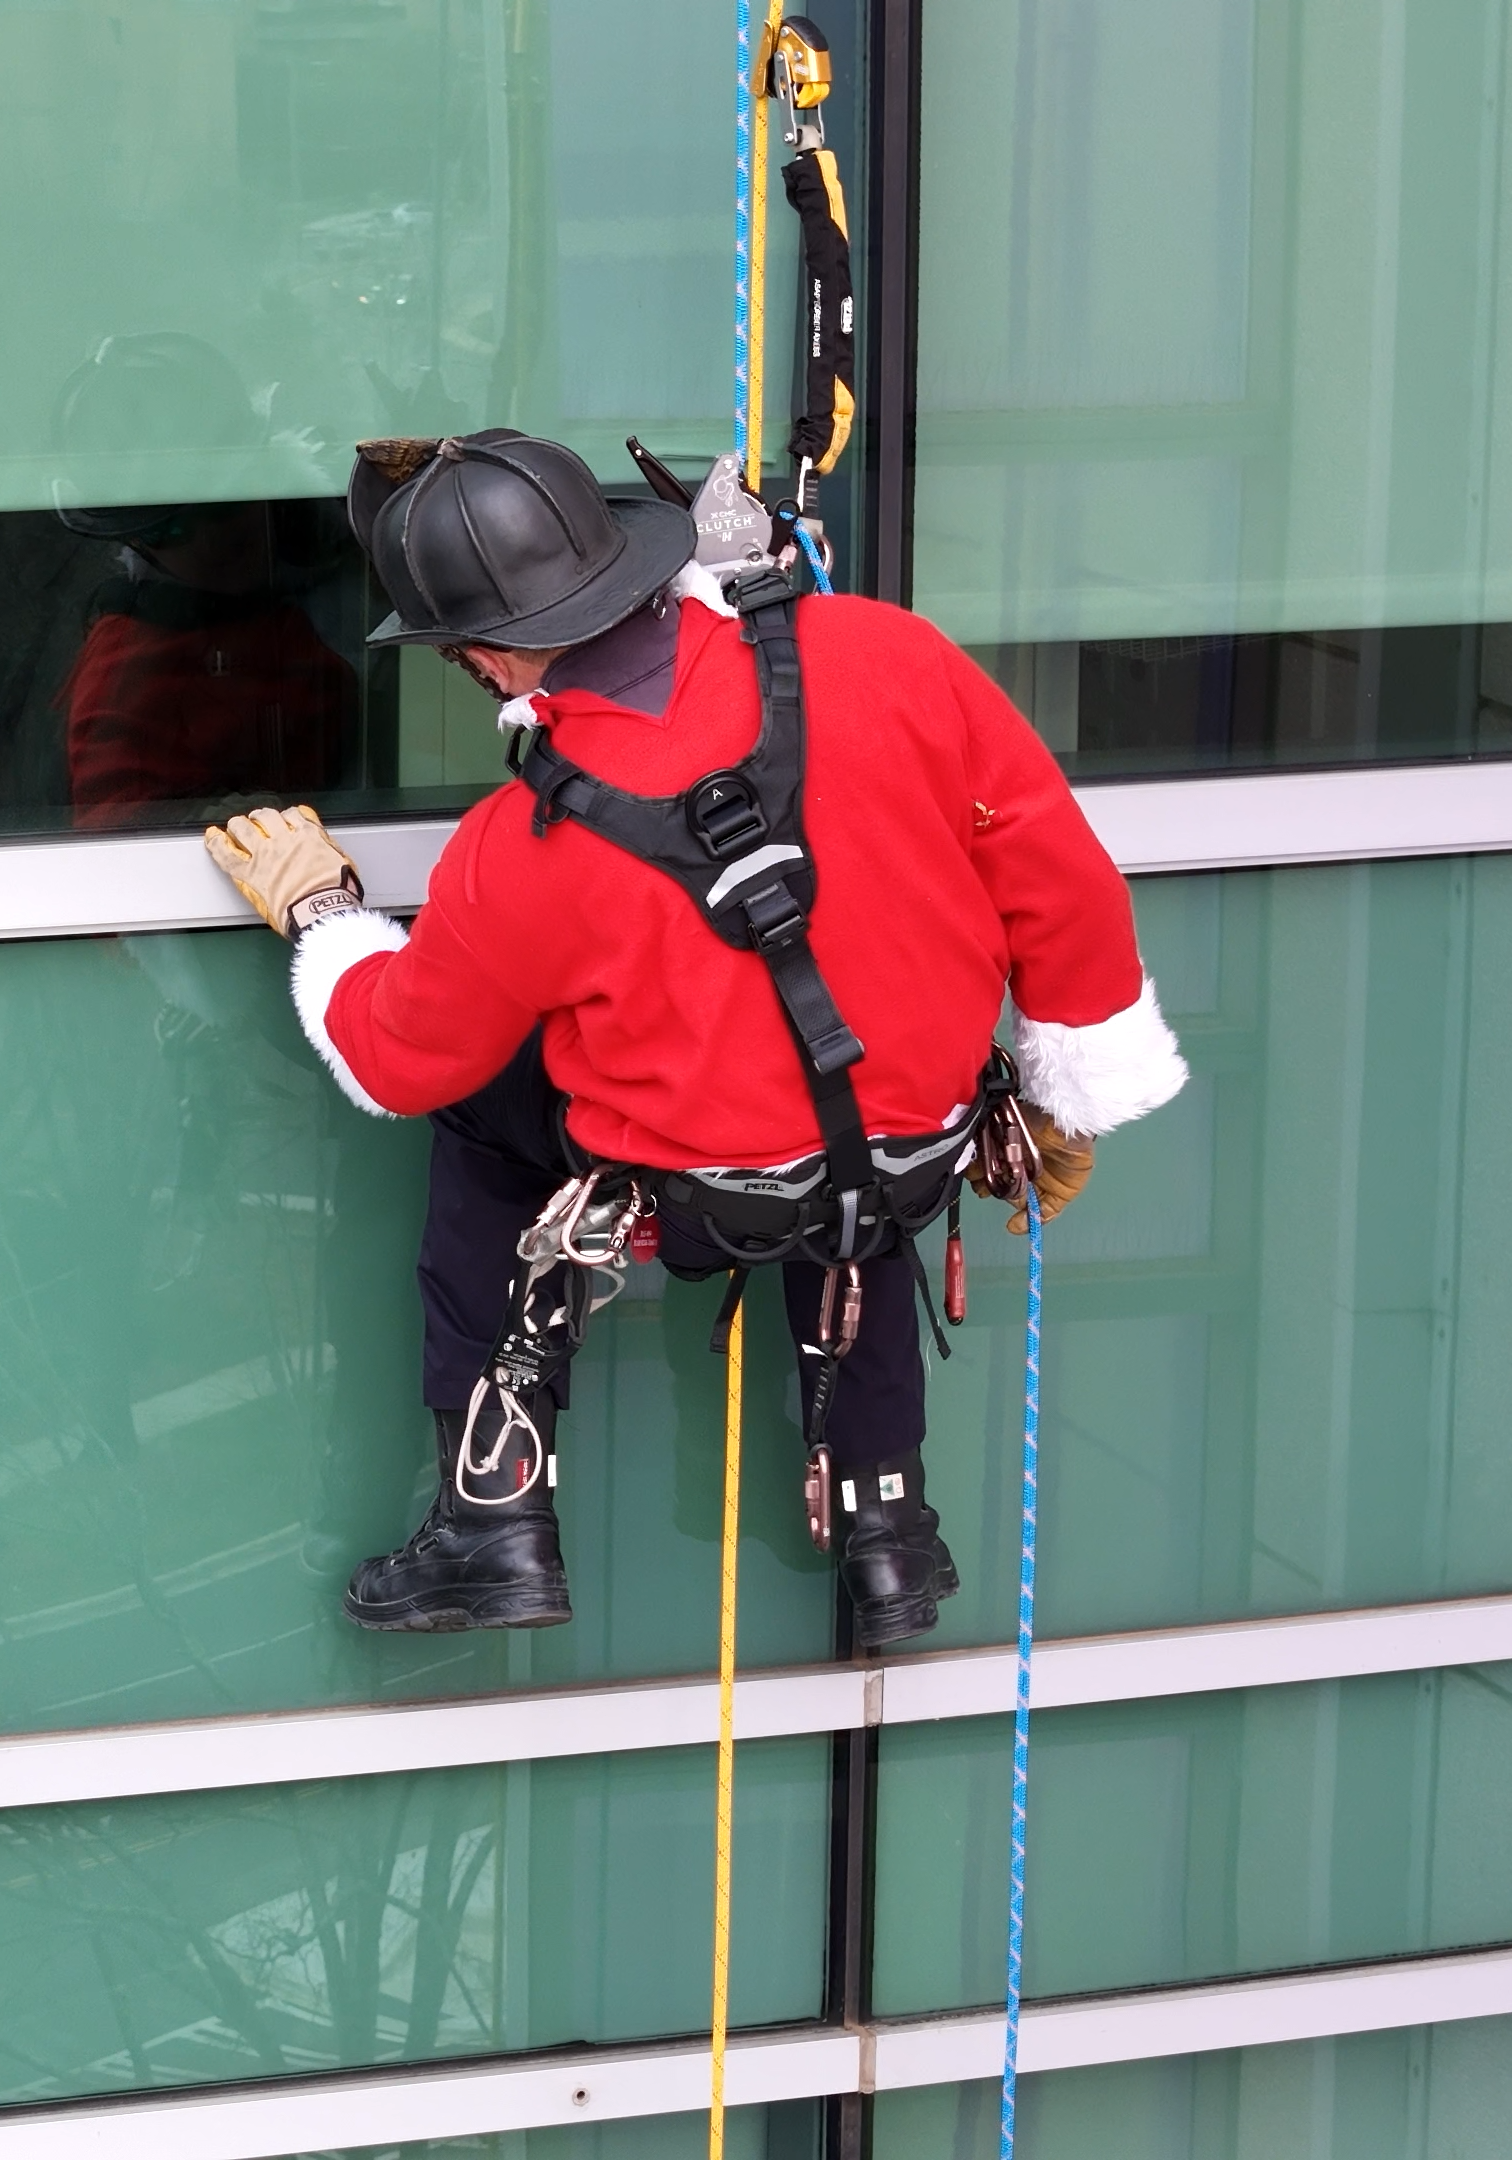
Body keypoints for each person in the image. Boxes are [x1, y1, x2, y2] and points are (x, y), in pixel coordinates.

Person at [202, 430, 1187, 1649]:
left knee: (483, 1115)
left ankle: (491, 1515)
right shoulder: (886, 654)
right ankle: (889, 1526)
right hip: (911, 1153)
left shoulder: (521, 851)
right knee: (849, 1149)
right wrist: (1062, 1100)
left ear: (485, 655)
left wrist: (326, 915)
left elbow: (401, 1059)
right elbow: (1060, 877)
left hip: (708, 1194)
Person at [55, 499, 358, 827]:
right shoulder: (130, 652)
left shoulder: (277, 620)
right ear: (140, 544)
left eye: (223, 510)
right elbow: (109, 821)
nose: (210, 539)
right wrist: (202, 818)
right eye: (172, 530)